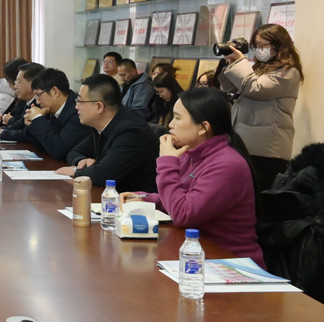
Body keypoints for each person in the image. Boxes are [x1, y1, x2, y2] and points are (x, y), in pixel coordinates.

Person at [126, 87, 264, 266]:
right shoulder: (190, 154)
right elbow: (179, 199)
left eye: (177, 118)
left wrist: (167, 163)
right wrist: (145, 198)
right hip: (197, 254)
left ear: (202, 128)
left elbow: (183, 214)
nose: (170, 125)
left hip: (229, 262)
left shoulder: (228, 165)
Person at [219, 23, 304, 193]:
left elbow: (255, 88)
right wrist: (228, 62)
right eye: (255, 46)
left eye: (262, 46)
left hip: (268, 152)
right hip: (248, 145)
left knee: (262, 196)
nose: (258, 50)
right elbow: (230, 86)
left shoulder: (288, 72)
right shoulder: (261, 69)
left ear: (278, 46)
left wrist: (240, 61)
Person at [55, 74, 158, 192]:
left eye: (80, 101)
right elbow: (74, 152)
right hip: (110, 195)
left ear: (99, 106)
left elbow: (104, 175)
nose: (76, 107)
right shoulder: (102, 124)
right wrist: (81, 162)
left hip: (137, 200)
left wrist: (76, 171)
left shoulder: (131, 131)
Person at [23, 68, 93, 160]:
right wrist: (32, 122)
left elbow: (59, 150)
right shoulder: (51, 109)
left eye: (38, 95)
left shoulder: (77, 111)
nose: (37, 102)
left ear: (55, 92)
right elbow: (40, 145)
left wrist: (38, 119)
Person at [0, 62, 41, 141]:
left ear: (33, 83)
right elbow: (19, 125)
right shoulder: (28, 102)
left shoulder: (39, 104)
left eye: (19, 82)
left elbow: (28, 134)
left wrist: (1, 132)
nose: (15, 86)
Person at [0, 58, 33, 126]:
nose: (7, 82)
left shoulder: (27, 98)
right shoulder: (19, 96)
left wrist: (10, 120)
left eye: (8, 78)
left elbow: (23, 127)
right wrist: (2, 118)